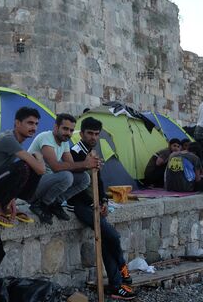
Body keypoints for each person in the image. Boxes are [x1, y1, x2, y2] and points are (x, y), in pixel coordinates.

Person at [66, 117, 135, 300]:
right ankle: (122, 268)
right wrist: (92, 203)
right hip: (79, 205)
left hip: (94, 204)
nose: (93, 137)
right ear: (81, 134)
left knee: (105, 241)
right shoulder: (75, 153)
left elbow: (99, 180)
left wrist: (103, 200)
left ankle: (115, 285)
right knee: (112, 235)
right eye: (90, 133)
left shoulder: (93, 151)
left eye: (96, 134)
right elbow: (75, 184)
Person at [27, 113, 98, 224]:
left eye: (71, 130)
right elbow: (55, 167)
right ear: (56, 127)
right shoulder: (46, 137)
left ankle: (55, 203)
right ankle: (41, 205)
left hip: (45, 183)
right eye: (65, 129)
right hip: (31, 187)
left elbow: (72, 166)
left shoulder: (64, 142)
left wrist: (90, 164)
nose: (68, 133)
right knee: (66, 176)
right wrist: (85, 163)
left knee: (85, 178)